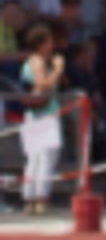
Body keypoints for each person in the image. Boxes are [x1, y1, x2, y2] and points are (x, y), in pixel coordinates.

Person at [19, 24, 64, 215]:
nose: (52, 45)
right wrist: (58, 69)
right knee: (46, 156)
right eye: (49, 41)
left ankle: (30, 197)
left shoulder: (34, 61)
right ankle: (40, 197)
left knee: (35, 157)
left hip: (34, 115)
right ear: (41, 44)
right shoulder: (37, 60)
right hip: (44, 114)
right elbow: (42, 84)